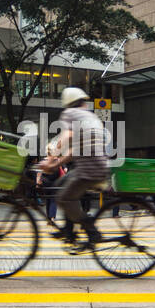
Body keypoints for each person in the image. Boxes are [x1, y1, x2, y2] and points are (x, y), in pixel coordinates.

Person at [36, 87, 109, 253]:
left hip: (87, 170)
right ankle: (68, 231)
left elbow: (66, 137)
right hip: (97, 167)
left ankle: (92, 231)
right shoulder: (91, 117)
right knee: (61, 184)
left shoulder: (70, 113)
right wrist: (56, 163)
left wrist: (51, 158)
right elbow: (74, 151)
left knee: (63, 198)